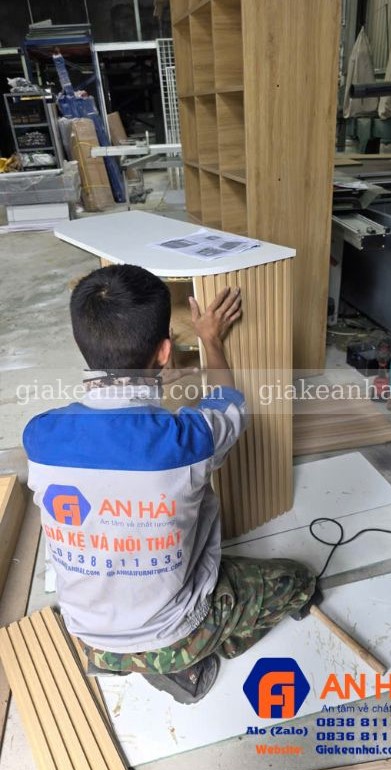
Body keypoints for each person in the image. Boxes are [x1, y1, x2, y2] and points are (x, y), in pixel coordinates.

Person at [23, 264, 317, 704]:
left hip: (86, 632)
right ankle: (186, 661)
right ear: (164, 351)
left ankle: (124, 659)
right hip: (173, 632)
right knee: (299, 580)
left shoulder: (39, 435)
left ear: (82, 343)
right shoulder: (188, 440)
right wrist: (210, 339)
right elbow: (229, 402)